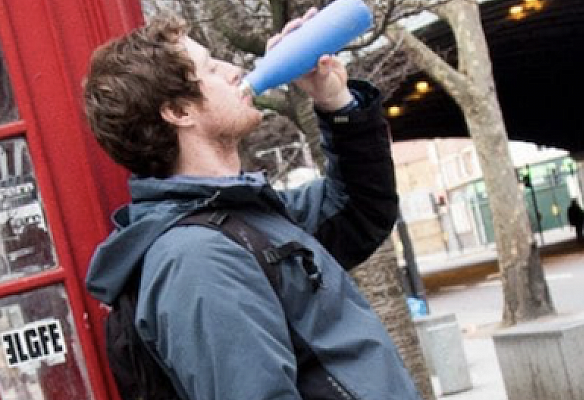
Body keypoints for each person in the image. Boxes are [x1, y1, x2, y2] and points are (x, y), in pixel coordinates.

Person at [82, 12, 420, 400]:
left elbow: (359, 211)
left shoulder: (245, 217)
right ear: (178, 112)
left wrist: (334, 102)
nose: (234, 70)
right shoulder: (199, 259)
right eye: (211, 67)